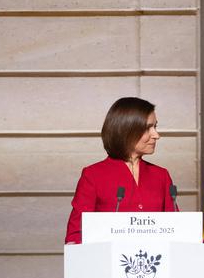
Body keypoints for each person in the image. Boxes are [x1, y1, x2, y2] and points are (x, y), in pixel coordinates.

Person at [64, 97, 177, 244]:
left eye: (155, 127)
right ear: (126, 129)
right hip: (106, 263)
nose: (156, 135)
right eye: (148, 128)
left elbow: (176, 229)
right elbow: (76, 234)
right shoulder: (93, 175)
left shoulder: (161, 175)